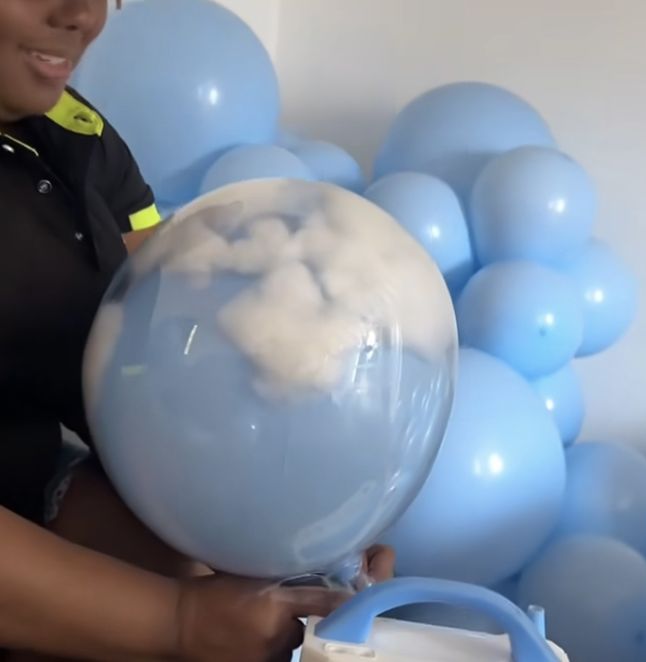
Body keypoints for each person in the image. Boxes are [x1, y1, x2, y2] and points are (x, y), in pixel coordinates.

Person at [0, 1, 395, 660]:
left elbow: (170, 346)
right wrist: (176, 621)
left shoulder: (79, 132)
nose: (82, 14)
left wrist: (307, 528)